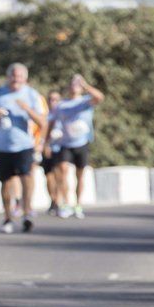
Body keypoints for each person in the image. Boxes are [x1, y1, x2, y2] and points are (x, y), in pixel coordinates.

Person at [0, 63, 47, 234]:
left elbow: (42, 121)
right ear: (8, 76)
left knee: (26, 178)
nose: (16, 79)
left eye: (19, 76)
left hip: (24, 144)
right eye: (13, 76)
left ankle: (27, 213)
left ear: (25, 78)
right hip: (3, 145)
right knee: (5, 183)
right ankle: (8, 217)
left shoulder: (31, 94)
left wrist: (26, 109)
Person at [52, 74, 105, 219]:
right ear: (68, 87)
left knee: (79, 176)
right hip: (65, 143)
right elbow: (53, 121)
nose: (74, 86)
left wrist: (86, 86)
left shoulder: (86, 101)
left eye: (77, 85)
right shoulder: (62, 105)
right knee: (62, 172)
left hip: (81, 143)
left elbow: (100, 97)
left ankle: (78, 204)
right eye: (72, 84)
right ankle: (65, 204)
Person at [42, 90, 63, 215]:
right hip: (48, 148)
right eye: (51, 99)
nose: (53, 102)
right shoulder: (45, 116)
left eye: (56, 99)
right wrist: (45, 145)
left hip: (60, 148)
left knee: (59, 175)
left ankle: (59, 200)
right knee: (49, 175)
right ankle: (52, 199)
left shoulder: (63, 115)